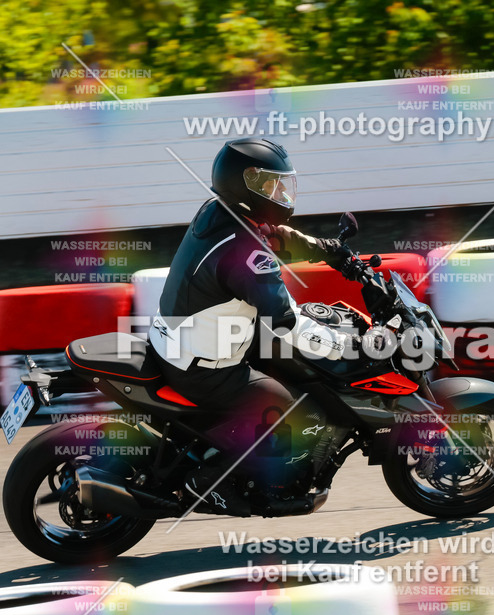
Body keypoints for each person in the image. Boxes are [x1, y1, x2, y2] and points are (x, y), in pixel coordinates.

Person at [148, 137, 356, 513]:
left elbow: (275, 236)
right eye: (271, 185)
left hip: (182, 341)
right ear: (247, 185)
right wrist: (347, 345)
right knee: (284, 406)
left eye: (282, 184)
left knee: (280, 367)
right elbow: (285, 322)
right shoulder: (249, 254)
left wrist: (329, 250)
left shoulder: (219, 212)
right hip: (202, 366)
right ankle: (210, 481)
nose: (280, 193)